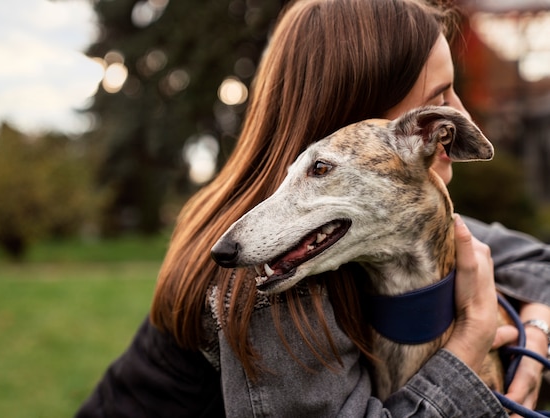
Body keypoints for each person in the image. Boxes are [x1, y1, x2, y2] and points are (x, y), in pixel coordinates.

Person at [76, 0, 550, 416]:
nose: (460, 116)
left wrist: (535, 331)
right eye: (439, 96)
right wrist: (471, 342)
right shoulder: (265, 279)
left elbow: (536, 263)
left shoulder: (378, 211)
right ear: (359, 111)